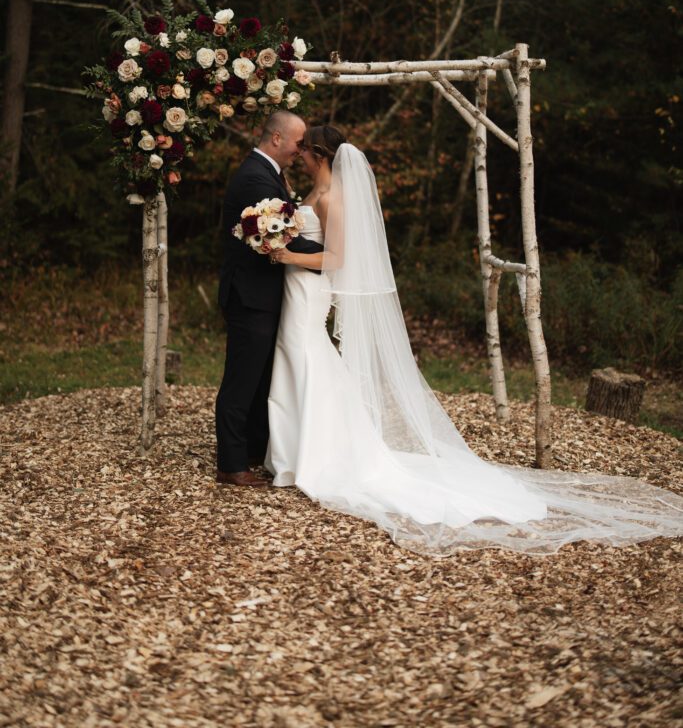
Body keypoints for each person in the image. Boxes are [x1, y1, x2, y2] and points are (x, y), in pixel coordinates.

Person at [264, 125, 683, 556]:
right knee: (300, 357)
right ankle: (298, 450)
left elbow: (338, 258)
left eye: (305, 151)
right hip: (297, 287)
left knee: (306, 354)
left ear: (320, 155)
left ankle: (315, 455)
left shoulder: (333, 198)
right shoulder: (312, 192)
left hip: (309, 288)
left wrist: (287, 254)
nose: (300, 156)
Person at [215, 111, 322, 487]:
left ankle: (252, 450)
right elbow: (283, 237)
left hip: (262, 293)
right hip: (250, 295)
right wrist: (332, 256)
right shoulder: (256, 178)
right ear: (277, 138)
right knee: (242, 380)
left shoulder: (268, 174)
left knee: (260, 378)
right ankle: (231, 464)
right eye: (298, 143)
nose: (301, 150)